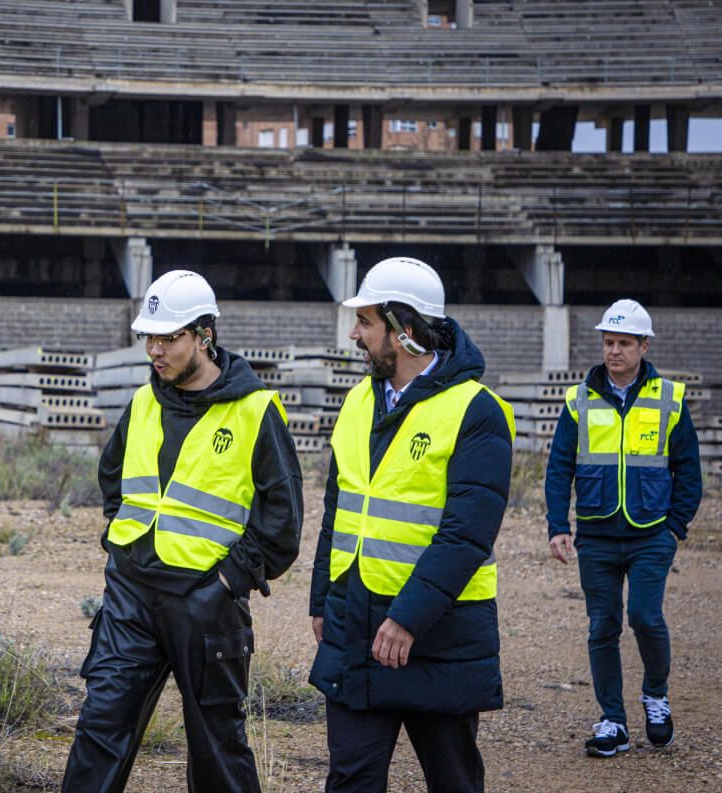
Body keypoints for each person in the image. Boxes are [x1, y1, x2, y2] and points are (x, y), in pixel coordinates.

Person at [63, 269, 304, 793]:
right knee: (100, 728)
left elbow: (282, 522)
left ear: (204, 335)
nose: (155, 349)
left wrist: (226, 582)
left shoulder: (254, 411)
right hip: (130, 598)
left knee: (218, 748)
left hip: (205, 603)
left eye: (168, 337)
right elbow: (113, 479)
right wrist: (125, 547)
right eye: (149, 337)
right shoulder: (144, 401)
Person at [308, 257, 514, 793]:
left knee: (453, 780)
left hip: (437, 635)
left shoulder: (476, 411)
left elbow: (467, 533)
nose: (354, 334)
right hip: (355, 623)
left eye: (366, 322)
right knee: (350, 779)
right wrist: (321, 600)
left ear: (403, 331)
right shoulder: (357, 401)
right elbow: (340, 508)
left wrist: (407, 619)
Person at [544, 298, 701, 757]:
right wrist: (559, 525)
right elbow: (558, 469)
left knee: (645, 617)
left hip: (652, 532)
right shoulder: (578, 399)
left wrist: (675, 527)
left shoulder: (670, 397)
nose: (614, 350)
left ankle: (655, 695)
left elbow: (689, 469)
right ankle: (613, 720)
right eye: (608, 342)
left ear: (643, 346)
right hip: (595, 533)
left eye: (624, 343)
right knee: (603, 626)